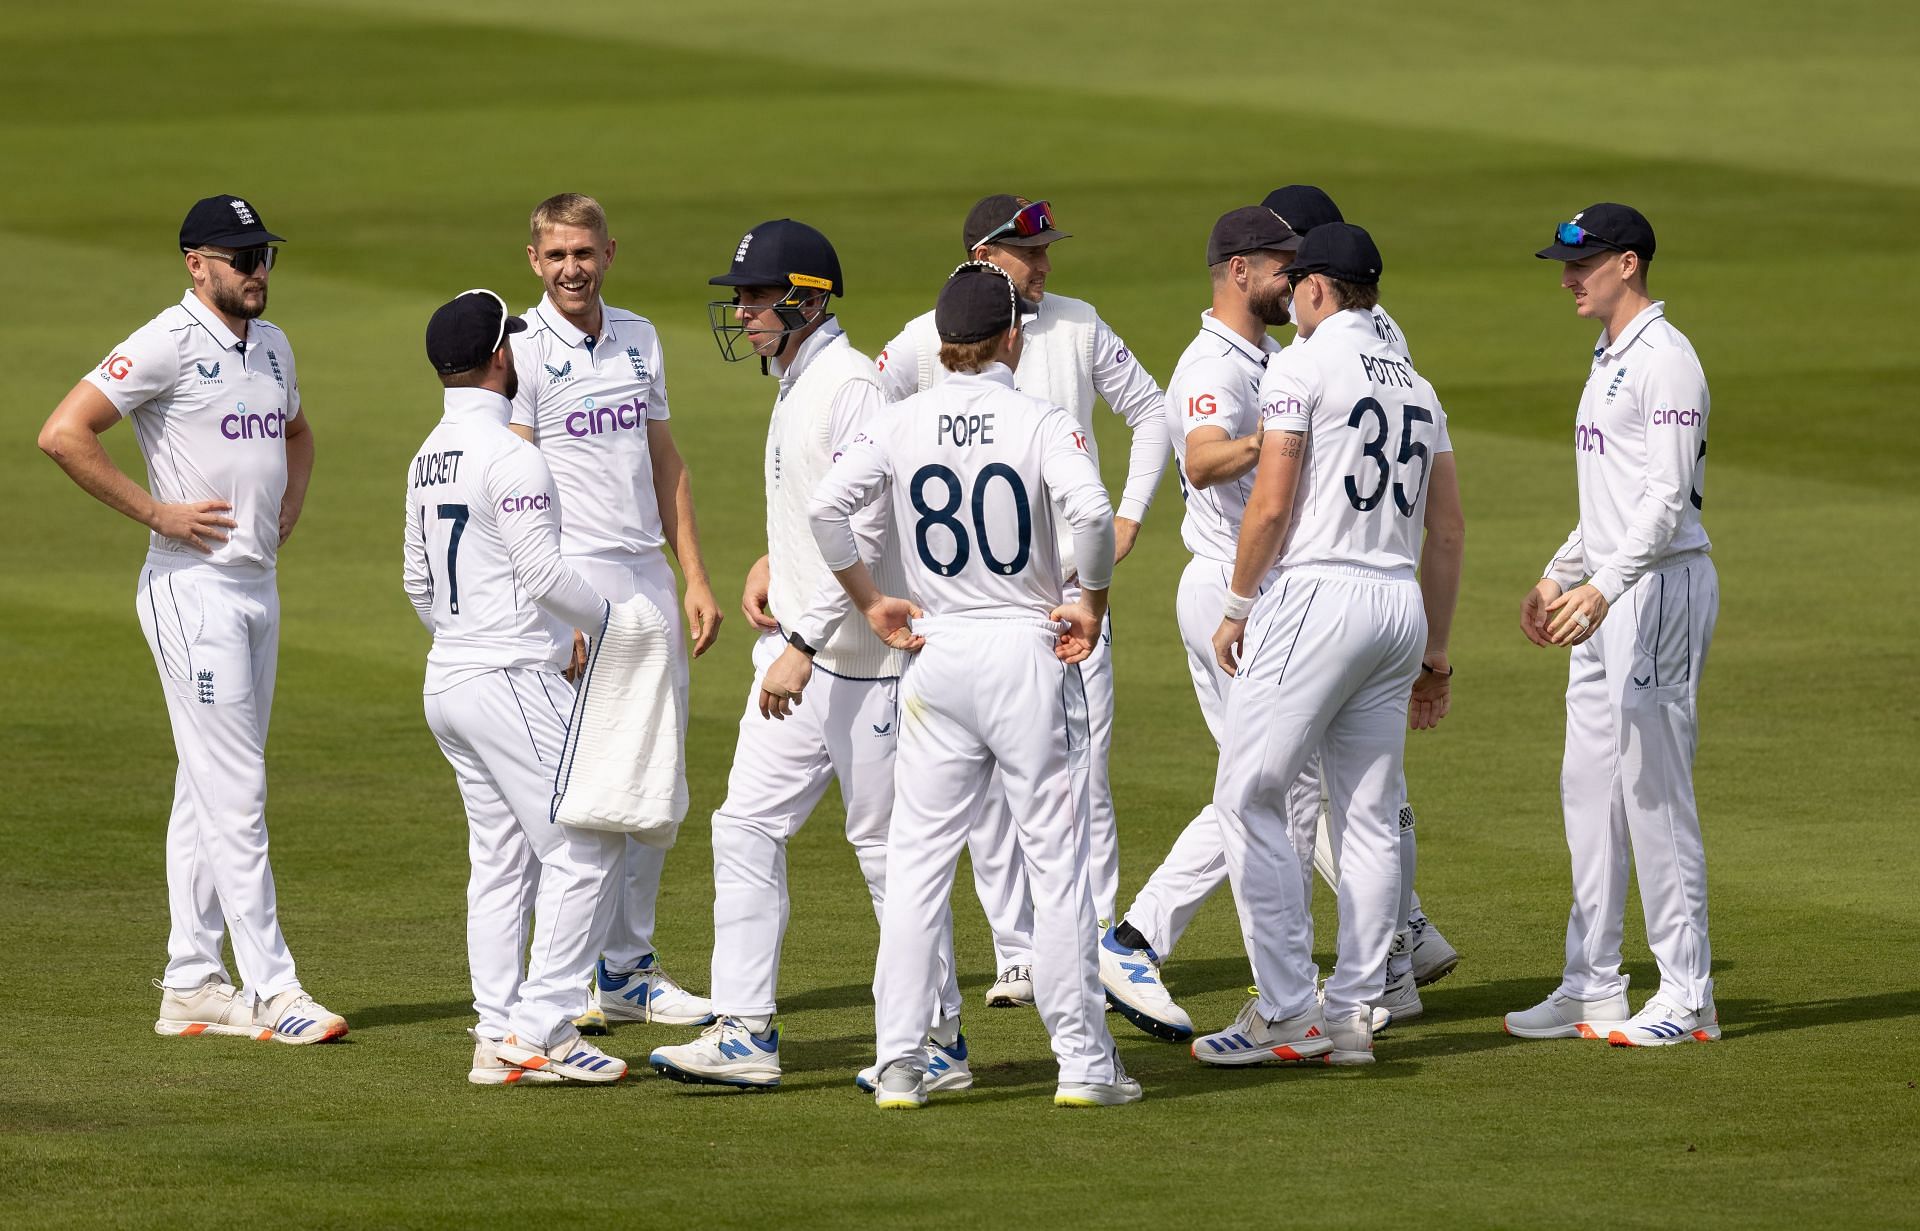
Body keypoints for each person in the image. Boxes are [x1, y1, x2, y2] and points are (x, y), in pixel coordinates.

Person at [812, 260, 1138, 1108]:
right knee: (1057, 863)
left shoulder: (899, 419)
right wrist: (1090, 605)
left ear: (943, 342)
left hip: (937, 653)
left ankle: (899, 1065)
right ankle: (1084, 1063)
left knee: (916, 866)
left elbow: (824, 512)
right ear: (1011, 338)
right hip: (1024, 648)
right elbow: (1095, 518)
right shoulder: (1040, 420)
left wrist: (870, 599)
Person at [648, 220, 965, 1091]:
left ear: (808, 299)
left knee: (889, 853)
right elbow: (816, 514)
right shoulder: (798, 379)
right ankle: (745, 1030)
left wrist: (800, 638)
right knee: (744, 824)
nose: (743, 312)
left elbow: (866, 528)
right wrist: (771, 561)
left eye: (756, 296)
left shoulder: (849, 386)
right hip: (810, 656)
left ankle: (938, 1039)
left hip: (863, 666)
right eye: (742, 297)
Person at [37, 194, 344, 1044]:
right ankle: (276, 990)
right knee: (236, 789)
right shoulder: (166, 342)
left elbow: (300, 432)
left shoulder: (274, 346)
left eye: (264, 256)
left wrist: (292, 497)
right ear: (195, 264)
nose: (256, 271)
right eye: (239, 257)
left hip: (257, 588)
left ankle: (190, 981)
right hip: (191, 590)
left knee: (204, 786)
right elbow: (64, 432)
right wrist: (157, 512)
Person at [874, 194, 1168, 1008]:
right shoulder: (925, 339)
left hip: (1071, 601)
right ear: (979, 256)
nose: (1042, 268)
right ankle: (1017, 951)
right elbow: (861, 418)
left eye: (1045, 253)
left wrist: (1130, 513)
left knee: (1083, 783)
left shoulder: (1077, 324)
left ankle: (1096, 947)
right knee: (981, 796)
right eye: (1024, 254)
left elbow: (1152, 412)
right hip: (966, 602)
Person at [1189, 223, 1462, 1069]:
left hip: (1320, 595)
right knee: (1371, 815)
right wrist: (1436, 655)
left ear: (1315, 289)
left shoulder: (1302, 364)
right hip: (1397, 609)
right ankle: (1352, 1012)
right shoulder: (1417, 383)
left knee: (1247, 794)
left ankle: (1285, 1011)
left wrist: (1235, 603)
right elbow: (1447, 530)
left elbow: (1270, 505)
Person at [1505, 203, 1720, 1047]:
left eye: (1583, 264)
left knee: (1653, 788)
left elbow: (1665, 502)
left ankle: (1688, 992)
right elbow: (1614, 497)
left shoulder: (1667, 361)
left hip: (1657, 591)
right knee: (1588, 786)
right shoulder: (1608, 358)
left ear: (1628, 264)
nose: (1567, 278)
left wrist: (1602, 586)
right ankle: (1592, 982)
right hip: (1607, 592)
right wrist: (1562, 572)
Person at [403, 288, 627, 1085]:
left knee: (500, 858)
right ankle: (540, 1029)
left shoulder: (428, 453)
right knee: (587, 844)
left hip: (451, 681)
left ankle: (496, 1033)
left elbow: (417, 582)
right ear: (502, 356)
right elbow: (539, 571)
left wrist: (470, 640)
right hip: (508, 679)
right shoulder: (512, 453)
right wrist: (617, 619)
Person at [507, 193, 718, 1033]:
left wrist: (693, 575)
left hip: (645, 578)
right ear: (534, 260)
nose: (572, 268)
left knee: (655, 780)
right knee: (584, 790)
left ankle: (629, 968)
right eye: (556, 255)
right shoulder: (518, 350)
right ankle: (568, 975)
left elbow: (664, 459)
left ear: (609, 252)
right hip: (574, 583)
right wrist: (556, 607)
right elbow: (513, 483)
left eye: (584, 253)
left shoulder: (640, 336)